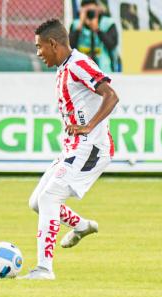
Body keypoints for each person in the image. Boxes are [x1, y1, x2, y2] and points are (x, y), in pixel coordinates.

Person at [19, 19, 119, 280]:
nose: (38, 53)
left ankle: (44, 269)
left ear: (53, 44)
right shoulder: (64, 67)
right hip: (74, 147)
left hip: (91, 147)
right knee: (36, 202)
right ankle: (82, 226)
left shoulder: (78, 64)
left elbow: (111, 95)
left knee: (50, 198)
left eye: (40, 47)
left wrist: (89, 127)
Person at [69, 0, 119, 73]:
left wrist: (97, 30)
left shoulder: (108, 23)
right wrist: (79, 26)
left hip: (104, 69)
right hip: (81, 71)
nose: (89, 14)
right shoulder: (75, 25)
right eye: (86, 12)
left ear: (98, 10)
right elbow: (70, 47)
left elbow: (111, 45)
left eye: (92, 11)